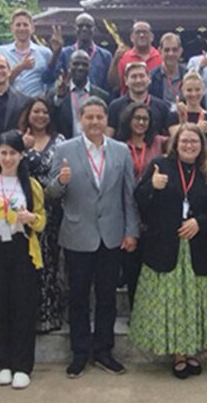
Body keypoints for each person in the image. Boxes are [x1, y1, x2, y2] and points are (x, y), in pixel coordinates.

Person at [47, 98, 140, 377]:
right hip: (78, 234)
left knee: (107, 297)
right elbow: (50, 193)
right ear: (81, 118)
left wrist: (131, 230)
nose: (95, 122)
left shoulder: (121, 151)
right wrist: (60, 182)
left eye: (100, 117)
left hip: (111, 236)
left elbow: (128, 195)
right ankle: (79, 352)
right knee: (78, 297)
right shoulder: (64, 149)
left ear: (106, 119)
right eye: (90, 117)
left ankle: (103, 350)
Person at [129, 125, 207, 378]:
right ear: (176, 142)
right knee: (172, 303)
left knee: (192, 302)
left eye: (194, 141)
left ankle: (191, 350)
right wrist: (152, 185)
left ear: (201, 145)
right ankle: (178, 354)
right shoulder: (160, 165)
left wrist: (200, 223)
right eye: (185, 141)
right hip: (165, 247)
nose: (189, 145)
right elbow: (138, 199)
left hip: (197, 249)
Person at [0, 131, 46, 388]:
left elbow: (42, 219)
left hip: (22, 249)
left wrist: (32, 220)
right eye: (3, 152)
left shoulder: (31, 185)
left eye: (13, 153)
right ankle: (4, 363)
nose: (8, 158)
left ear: (21, 155)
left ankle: (23, 365)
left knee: (24, 307)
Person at [18, 97, 66, 333]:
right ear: (28, 113)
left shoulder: (60, 141)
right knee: (27, 263)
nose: (40, 116)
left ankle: (50, 314)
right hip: (22, 212)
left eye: (45, 112)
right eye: (36, 111)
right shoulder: (17, 139)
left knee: (50, 263)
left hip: (51, 209)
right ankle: (27, 314)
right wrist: (22, 147)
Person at [114, 101, 169, 305]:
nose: (141, 122)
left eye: (145, 119)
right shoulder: (118, 145)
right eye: (137, 118)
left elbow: (182, 138)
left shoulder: (158, 143)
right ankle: (134, 309)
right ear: (128, 120)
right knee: (131, 264)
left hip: (151, 209)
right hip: (125, 207)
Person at [49, 48, 109, 140]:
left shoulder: (102, 96)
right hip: (65, 147)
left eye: (84, 64)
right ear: (69, 67)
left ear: (90, 67)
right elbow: (51, 119)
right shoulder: (55, 94)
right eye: (76, 64)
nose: (80, 68)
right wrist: (60, 97)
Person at [107, 61, 178, 139]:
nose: (138, 80)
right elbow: (108, 138)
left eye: (142, 76)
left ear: (149, 78)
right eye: (134, 77)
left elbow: (172, 137)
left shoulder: (162, 107)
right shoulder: (115, 106)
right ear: (126, 80)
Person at [0, 9, 55, 98]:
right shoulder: (1, 52)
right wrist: (21, 67)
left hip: (35, 106)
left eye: (25, 25)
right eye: (18, 25)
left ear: (32, 28)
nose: (22, 28)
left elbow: (50, 83)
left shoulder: (45, 53)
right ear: (12, 28)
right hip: (10, 104)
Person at [51, 12, 113, 93]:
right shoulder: (65, 53)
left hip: (96, 101)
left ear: (94, 30)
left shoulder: (105, 56)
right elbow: (49, 78)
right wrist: (55, 53)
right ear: (75, 29)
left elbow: (109, 85)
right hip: (71, 100)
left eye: (88, 26)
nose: (84, 29)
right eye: (80, 26)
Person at [177, 70, 207, 174]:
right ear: (183, 91)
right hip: (180, 169)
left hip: (204, 168)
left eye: (197, 90)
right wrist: (197, 128)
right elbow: (175, 142)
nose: (193, 94)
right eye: (189, 90)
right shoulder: (175, 115)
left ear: (203, 90)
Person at [108, 20, 162, 92]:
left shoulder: (161, 57)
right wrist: (115, 62)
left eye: (145, 32)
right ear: (132, 37)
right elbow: (114, 84)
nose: (141, 35)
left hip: (156, 102)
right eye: (138, 32)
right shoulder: (123, 57)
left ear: (152, 37)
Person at [149, 32, 187, 108]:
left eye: (174, 50)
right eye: (167, 50)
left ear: (180, 51)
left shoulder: (187, 75)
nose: (171, 53)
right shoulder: (151, 77)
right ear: (160, 51)